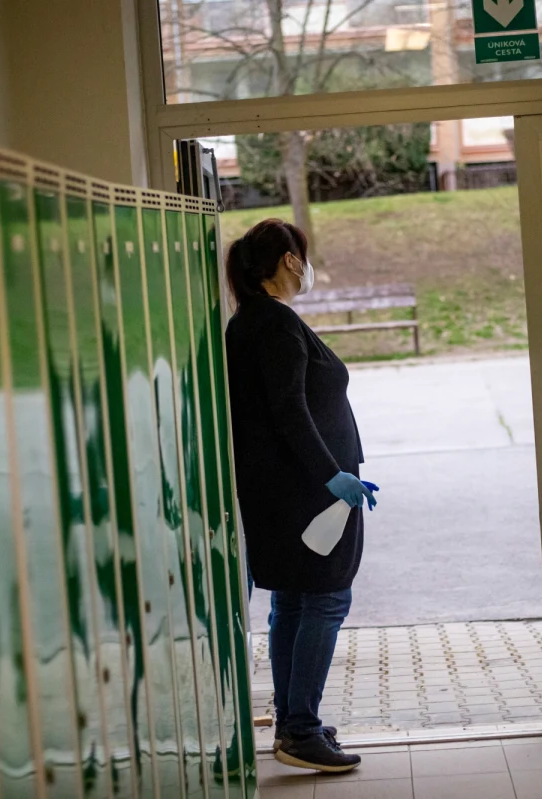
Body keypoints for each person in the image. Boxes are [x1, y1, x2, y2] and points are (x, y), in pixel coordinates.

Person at [225, 218, 377, 774]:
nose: (307, 267)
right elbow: (289, 411)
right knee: (327, 598)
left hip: (282, 491)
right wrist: (333, 476)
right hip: (307, 495)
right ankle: (300, 729)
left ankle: (294, 722)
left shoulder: (251, 321)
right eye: (303, 257)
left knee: (292, 602)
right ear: (290, 260)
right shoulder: (277, 324)